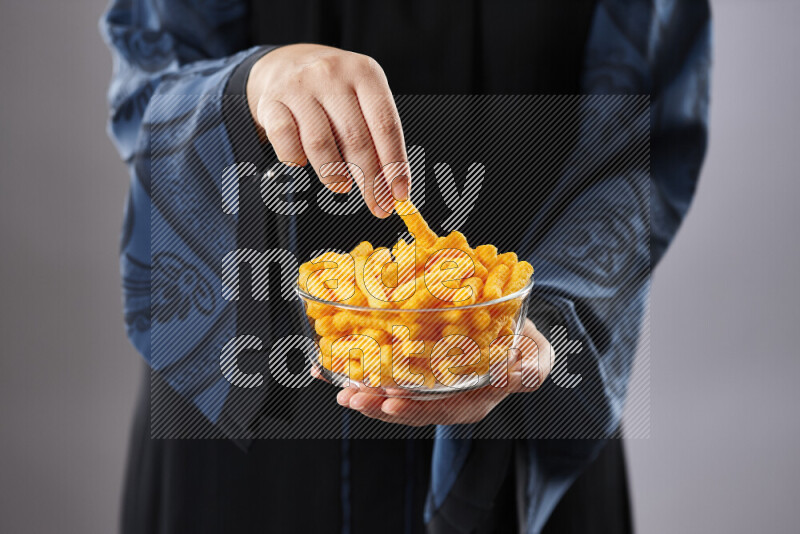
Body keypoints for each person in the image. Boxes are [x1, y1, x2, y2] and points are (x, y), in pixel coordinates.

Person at [101, 1, 711, 532]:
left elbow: (642, 144)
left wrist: (539, 321)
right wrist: (250, 85)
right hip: (245, 438)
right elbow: (145, 89)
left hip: (518, 405)